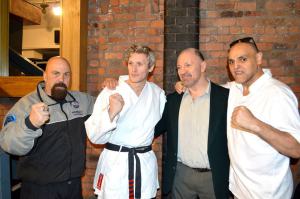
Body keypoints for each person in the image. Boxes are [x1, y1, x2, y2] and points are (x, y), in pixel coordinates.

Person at [0, 56, 94, 199]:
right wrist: (30, 123)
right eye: (56, 73)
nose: (61, 79)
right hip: (39, 189)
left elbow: (105, 106)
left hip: (73, 186)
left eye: (66, 74)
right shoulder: (25, 105)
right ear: (45, 76)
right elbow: (8, 143)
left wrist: (111, 88)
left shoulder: (81, 101)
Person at [84, 45, 166, 199]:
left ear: (151, 68)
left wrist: (181, 87)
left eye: (139, 64)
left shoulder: (158, 94)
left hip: (143, 162)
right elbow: (94, 137)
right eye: (130, 63)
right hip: (116, 163)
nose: (133, 69)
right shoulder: (111, 90)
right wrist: (112, 112)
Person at [227, 37, 300, 199]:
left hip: (269, 194)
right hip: (239, 191)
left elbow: (296, 149)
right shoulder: (234, 89)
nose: (236, 66)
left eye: (243, 59)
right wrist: (184, 84)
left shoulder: (278, 93)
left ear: (258, 58)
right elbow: (205, 87)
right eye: (231, 62)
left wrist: (255, 124)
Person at [155, 48, 230, 199]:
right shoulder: (173, 101)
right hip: (181, 177)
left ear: (203, 66)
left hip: (213, 178)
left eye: (188, 65)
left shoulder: (225, 98)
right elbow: (151, 129)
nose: (182, 71)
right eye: (179, 67)